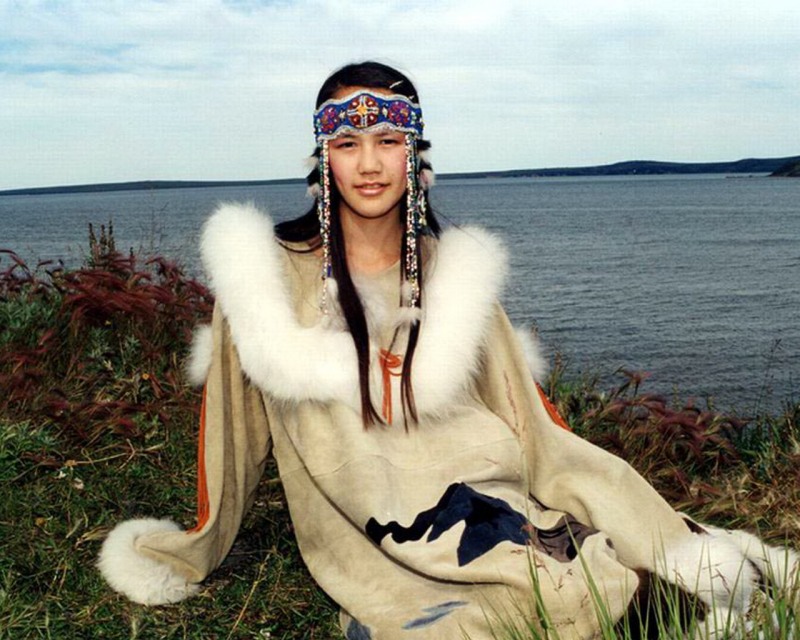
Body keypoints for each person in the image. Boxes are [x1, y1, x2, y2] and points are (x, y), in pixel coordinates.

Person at [98, 61, 798, 639]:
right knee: (522, 596)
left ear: (416, 156)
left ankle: (696, 585)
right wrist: (194, 547)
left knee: (604, 551)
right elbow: (231, 432)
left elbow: (530, 421)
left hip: (484, 483)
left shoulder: (454, 273)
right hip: (375, 517)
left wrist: (603, 496)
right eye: (347, 144)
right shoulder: (263, 277)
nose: (369, 165)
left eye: (389, 143)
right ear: (324, 159)